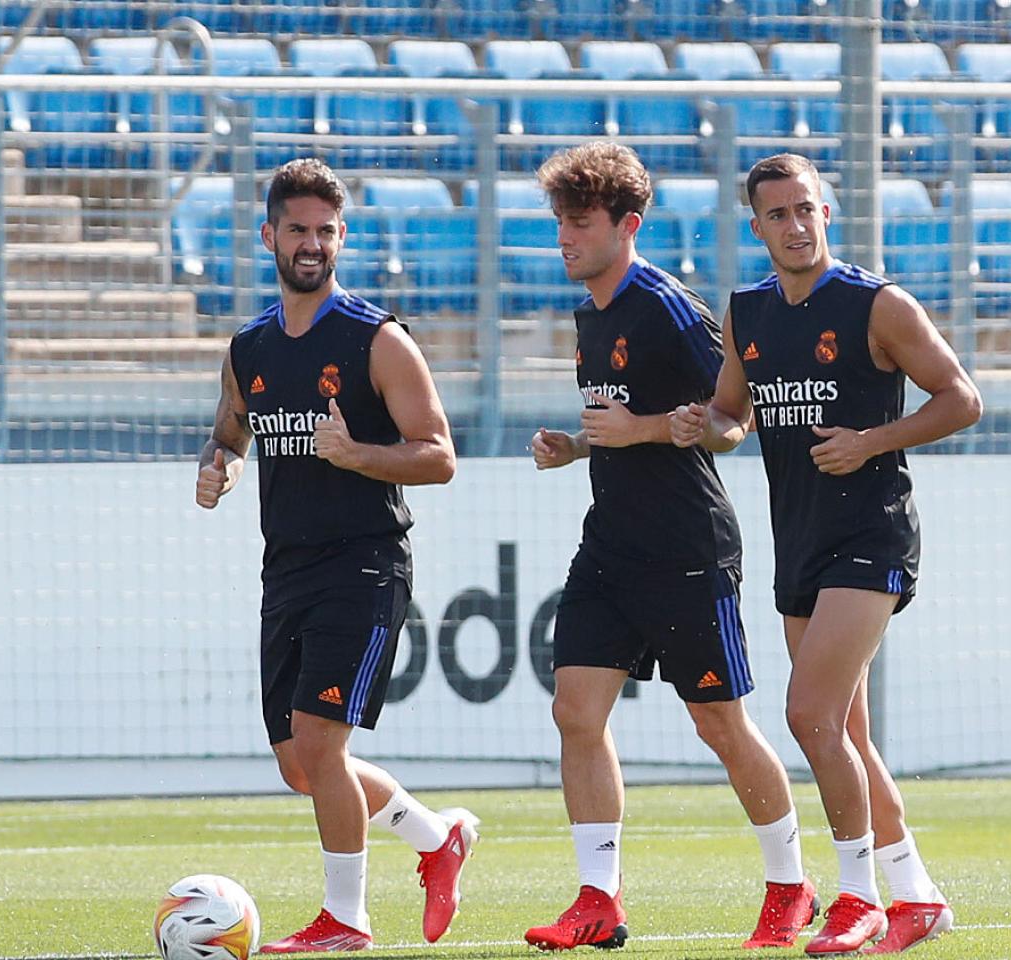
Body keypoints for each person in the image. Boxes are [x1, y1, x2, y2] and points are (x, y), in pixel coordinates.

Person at [672, 153, 982, 955]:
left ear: (826, 212)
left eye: (806, 209)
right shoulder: (747, 312)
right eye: (778, 215)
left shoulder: (877, 304)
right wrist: (700, 427)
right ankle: (917, 894)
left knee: (809, 715)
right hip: (800, 539)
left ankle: (857, 897)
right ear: (758, 227)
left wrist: (873, 439)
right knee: (845, 730)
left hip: (871, 533)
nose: (796, 225)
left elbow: (962, 399)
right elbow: (731, 416)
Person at [521, 142, 817, 953]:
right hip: (610, 545)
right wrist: (578, 447)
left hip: (688, 548)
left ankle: (792, 886)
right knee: (574, 711)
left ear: (629, 225)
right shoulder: (592, 313)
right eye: (559, 223)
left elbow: (733, 416)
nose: (564, 238)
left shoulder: (672, 309)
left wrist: (641, 429)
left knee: (719, 724)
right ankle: (598, 900)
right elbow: (629, 420)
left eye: (579, 223)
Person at [195, 157, 476, 951]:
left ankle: (345, 920)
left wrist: (358, 457)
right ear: (268, 237)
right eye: (297, 230)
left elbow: (439, 455)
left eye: (325, 231)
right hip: (284, 566)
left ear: (342, 237)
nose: (311, 244)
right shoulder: (248, 347)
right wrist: (219, 467)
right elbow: (229, 431)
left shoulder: (377, 340)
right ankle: (436, 838)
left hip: (365, 562)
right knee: (300, 765)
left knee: (323, 745)